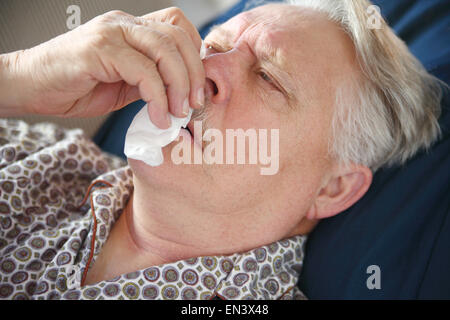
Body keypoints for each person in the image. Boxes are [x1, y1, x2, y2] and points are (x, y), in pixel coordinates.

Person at [0, 0, 442, 300]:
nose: (204, 68)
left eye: (268, 78)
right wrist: (19, 77)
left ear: (333, 187)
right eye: (211, 45)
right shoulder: (41, 154)